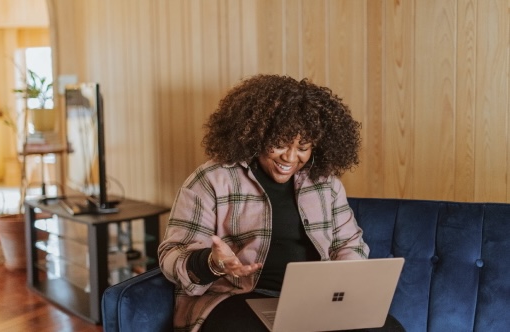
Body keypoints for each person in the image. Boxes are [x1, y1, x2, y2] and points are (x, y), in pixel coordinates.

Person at [158, 74, 404, 332]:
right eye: (279, 144)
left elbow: (349, 244)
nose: (290, 156)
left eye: (303, 146)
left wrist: (346, 284)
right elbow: (171, 254)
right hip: (234, 297)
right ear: (257, 135)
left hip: (312, 301)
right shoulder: (212, 179)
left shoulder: (325, 184)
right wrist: (212, 262)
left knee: (388, 329)